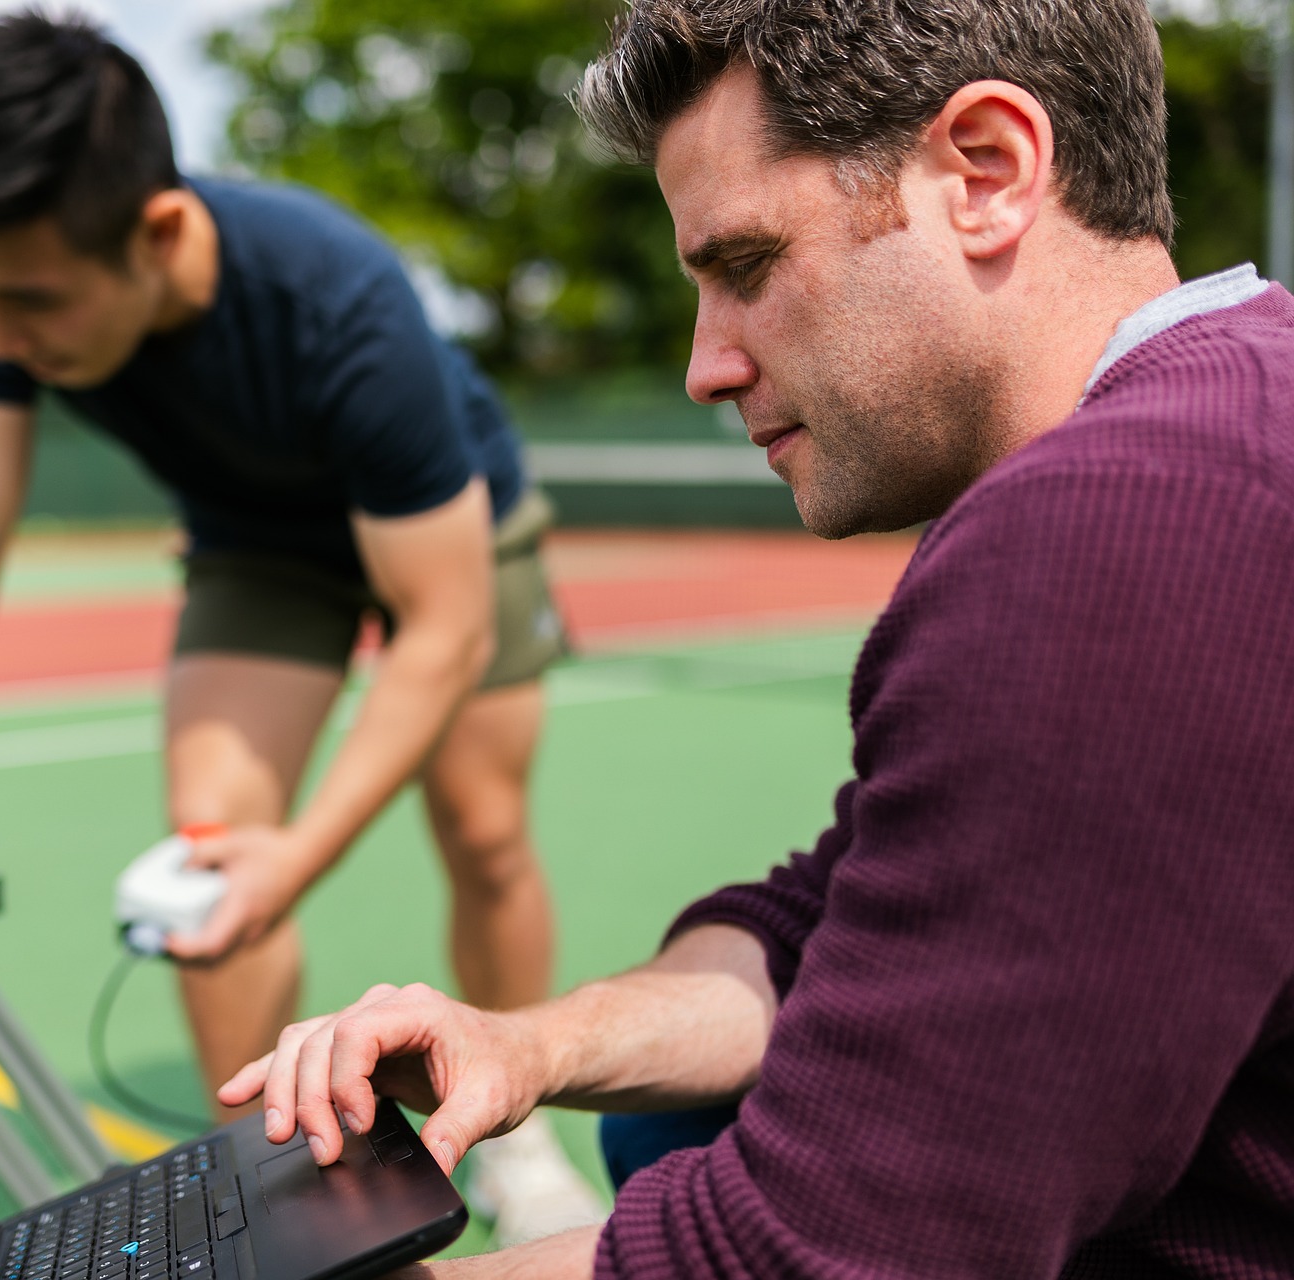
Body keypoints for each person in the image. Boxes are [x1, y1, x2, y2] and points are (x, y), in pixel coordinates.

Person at [223, 1, 1294, 1276]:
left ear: (987, 171)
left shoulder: (1120, 527)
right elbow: (826, 910)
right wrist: (529, 1045)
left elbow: (831, 1248)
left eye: (746, 265)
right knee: (667, 1116)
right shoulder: (1238, 400)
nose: (706, 365)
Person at [0, 9, 601, 1243]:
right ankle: (285, 1189)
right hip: (259, 544)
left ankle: (518, 1134)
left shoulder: (339, 297)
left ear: (162, 231)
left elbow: (441, 627)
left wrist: (310, 849)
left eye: (30, 302)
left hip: (450, 532)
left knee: (486, 830)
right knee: (212, 868)